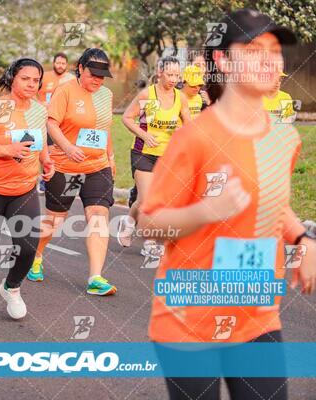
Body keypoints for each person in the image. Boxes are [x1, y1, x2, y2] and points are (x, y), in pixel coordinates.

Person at [137, 9, 315, 400]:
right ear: (223, 60)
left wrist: (302, 238)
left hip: (257, 316)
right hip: (189, 320)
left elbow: (270, 201)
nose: (271, 59)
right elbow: (149, 223)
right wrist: (205, 212)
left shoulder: (284, 139)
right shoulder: (194, 138)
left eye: (275, 49)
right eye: (254, 49)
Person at [0, 57, 54, 319]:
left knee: (28, 247)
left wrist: (46, 160)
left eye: (35, 80)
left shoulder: (39, 110)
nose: (31, 84)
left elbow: (39, 141)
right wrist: (6, 150)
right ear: (12, 77)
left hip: (24, 189)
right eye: (25, 78)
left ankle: (11, 288)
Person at [26, 48, 117, 296]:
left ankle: (95, 277)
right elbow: (51, 123)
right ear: (80, 69)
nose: (97, 80)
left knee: (98, 214)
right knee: (56, 220)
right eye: (92, 74)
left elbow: (105, 128)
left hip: (97, 166)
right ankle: (36, 255)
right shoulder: (65, 91)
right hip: (65, 167)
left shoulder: (106, 95)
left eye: (102, 76)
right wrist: (67, 147)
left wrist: (110, 157)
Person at [119, 56, 191, 247]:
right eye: (170, 74)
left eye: (177, 75)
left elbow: (190, 127)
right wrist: (144, 135)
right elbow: (127, 118)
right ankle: (136, 230)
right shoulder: (147, 95)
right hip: (144, 153)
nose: (174, 79)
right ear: (160, 73)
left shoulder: (180, 98)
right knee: (145, 200)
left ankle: (139, 230)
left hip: (167, 156)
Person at [37, 52, 75, 192]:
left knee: (65, 150)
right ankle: (45, 180)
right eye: (58, 63)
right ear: (54, 63)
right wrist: (41, 104)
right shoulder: (44, 77)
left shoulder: (70, 79)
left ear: (67, 65)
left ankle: (65, 182)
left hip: (65, 120)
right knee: (47, 150)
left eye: (63, 63)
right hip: (46, 119)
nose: (60, 66)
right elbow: (33, 94)